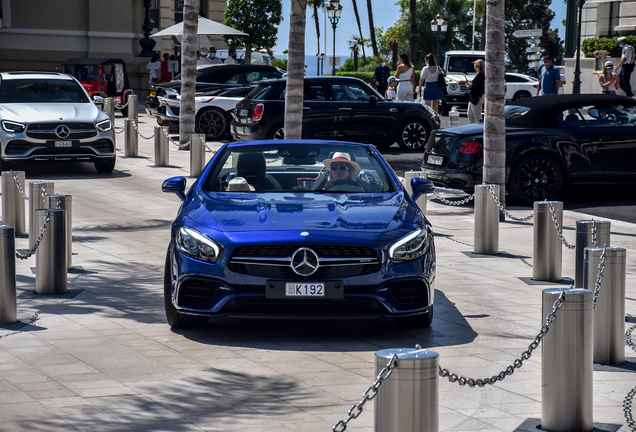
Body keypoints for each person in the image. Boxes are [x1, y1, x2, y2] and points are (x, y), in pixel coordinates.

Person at [458, 59, 485, 123]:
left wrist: (468, 84)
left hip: (477, 97)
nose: (474, 68)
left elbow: (475, 86)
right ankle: (473, 126)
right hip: (473, 97)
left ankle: (479, 129)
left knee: (477, 116)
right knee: (470, 114)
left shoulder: (482, 76)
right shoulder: (479, 75)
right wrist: (466, 83)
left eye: (475, 66)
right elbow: (473, 84)